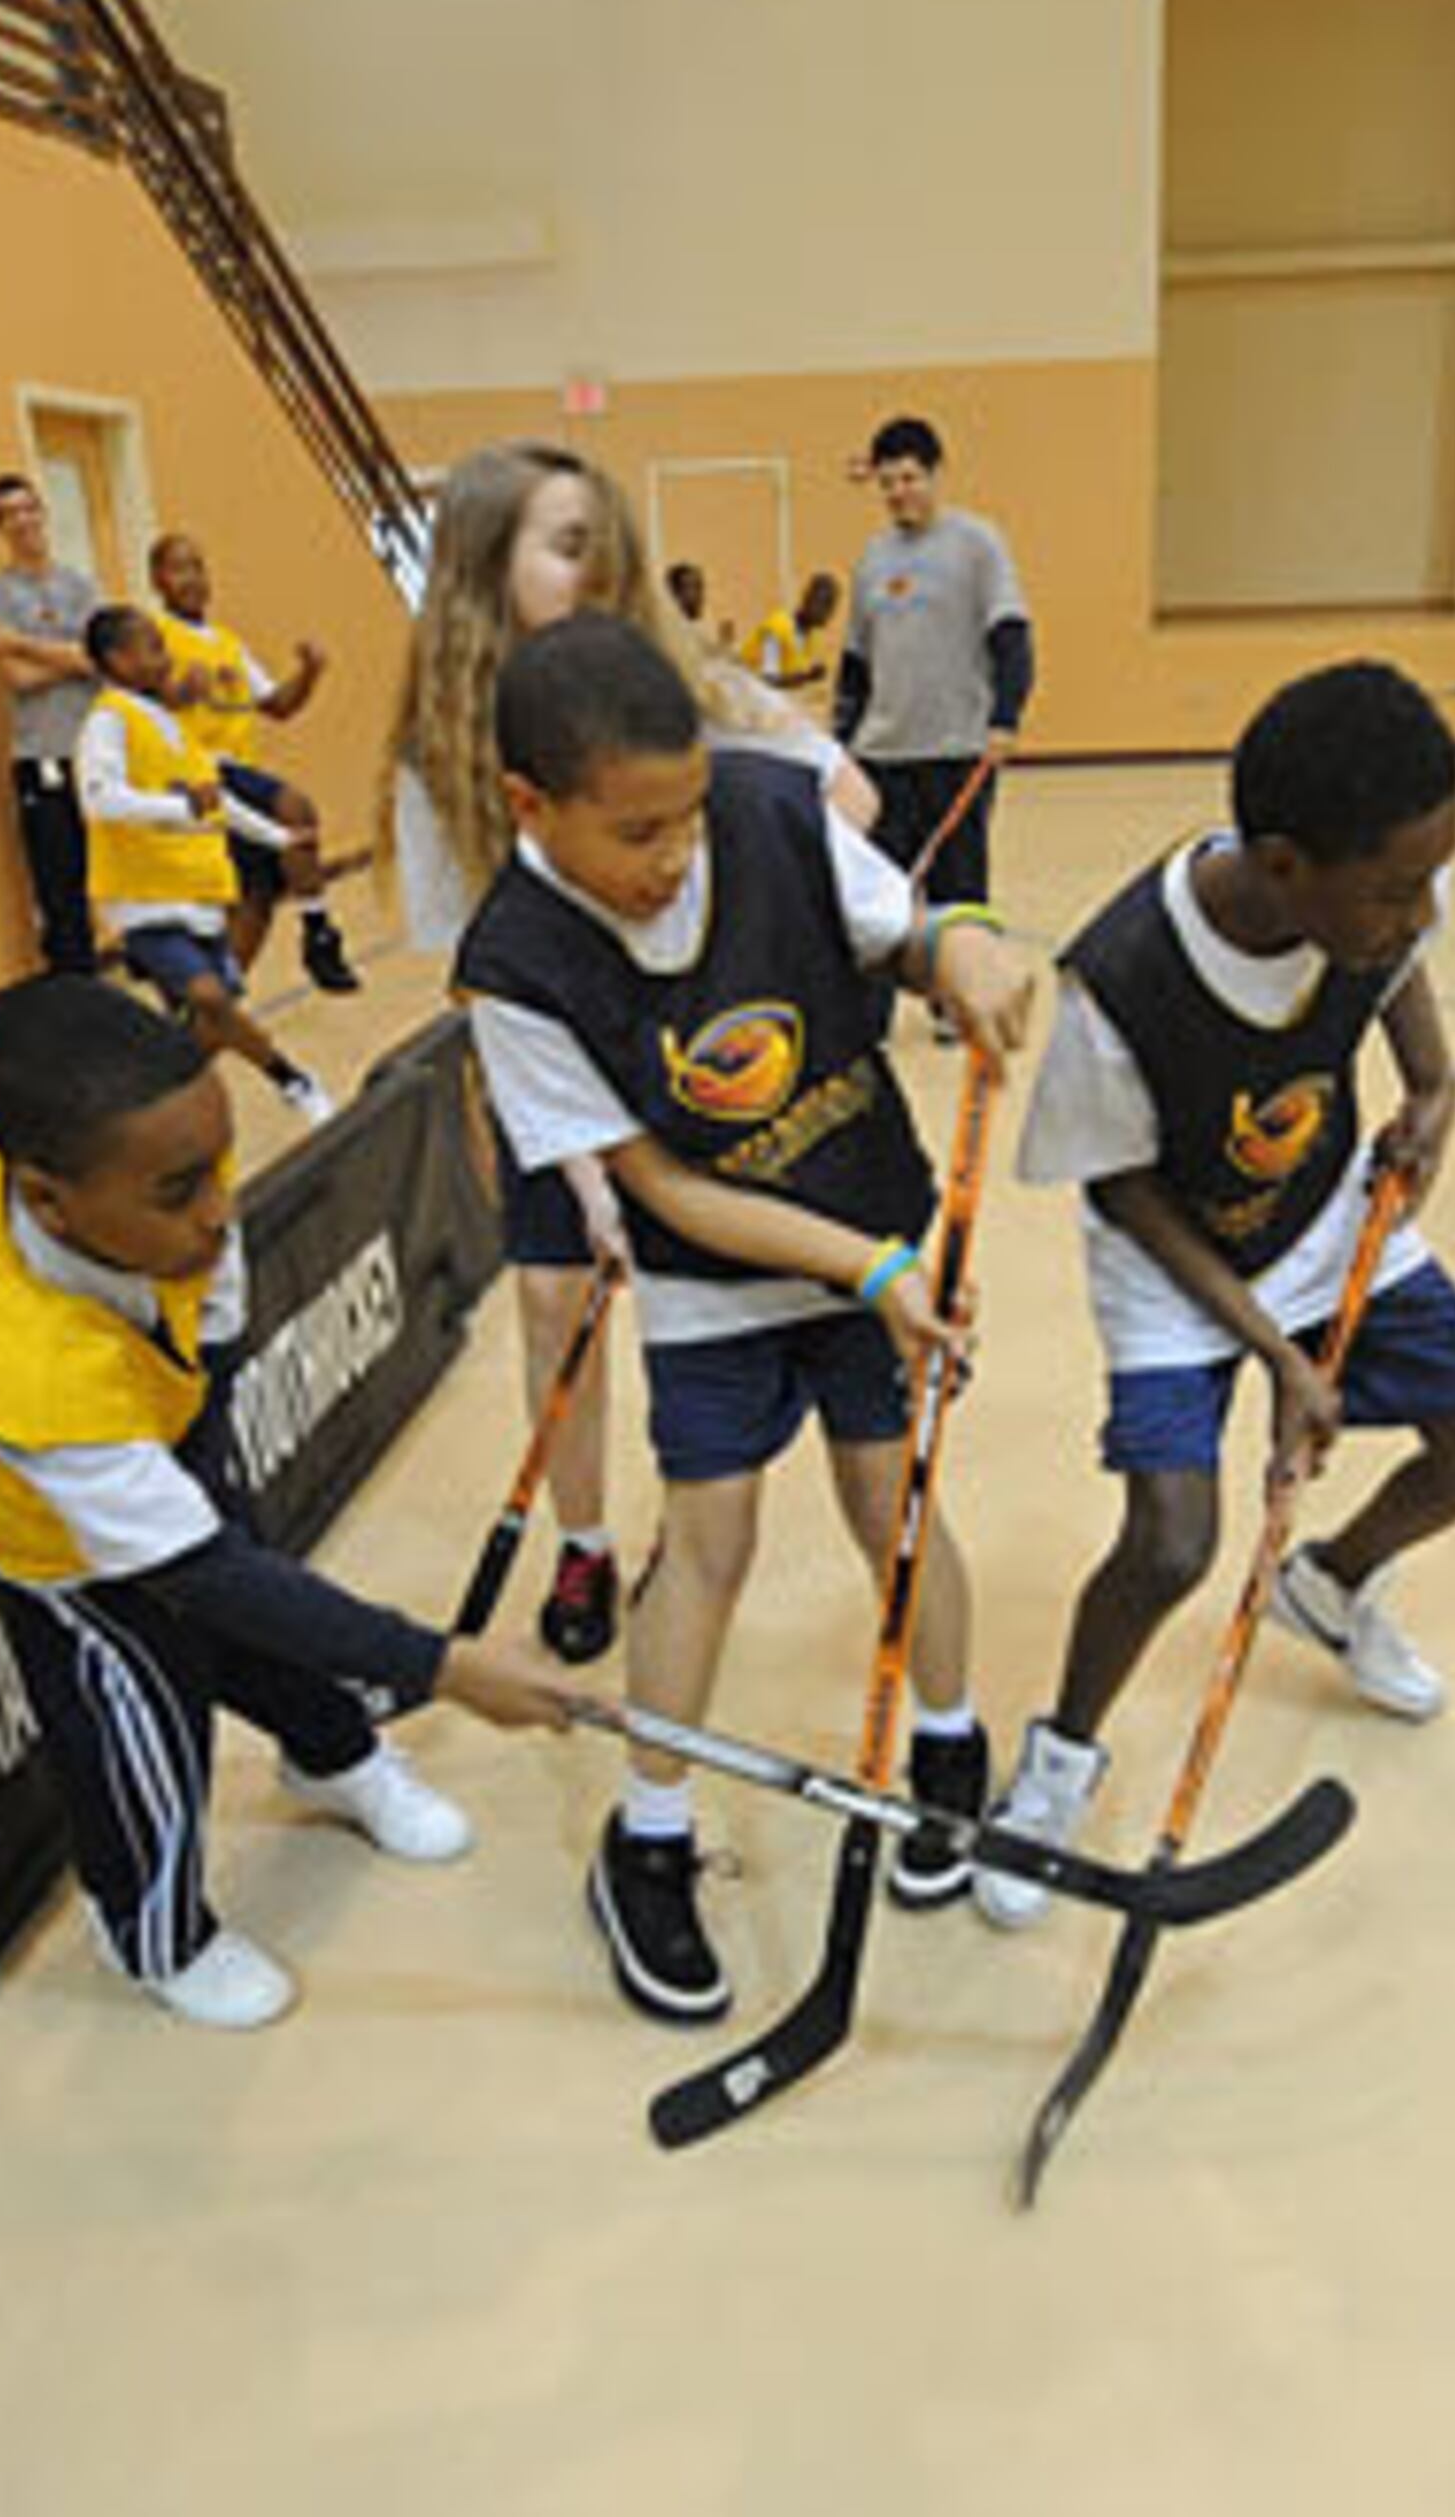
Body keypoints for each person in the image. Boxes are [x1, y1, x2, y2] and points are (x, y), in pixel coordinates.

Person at [452, 614, 1038, 2022]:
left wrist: (959, 947)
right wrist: (870, 1274)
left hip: (872, 1214)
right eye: (638, 832)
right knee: (708, 1544)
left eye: (690, 816)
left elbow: (902, 936)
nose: (675, 859)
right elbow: (659, 1184)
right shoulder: (515, 967)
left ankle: (948, 1749)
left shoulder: (770, 811)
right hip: (722, 1272)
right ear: (531, 806)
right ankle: (647, 1835)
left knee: (892, 1501)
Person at [0, 978, 576, 2029]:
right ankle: (154, 1931)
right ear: (49, 1200)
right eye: (184, 1190)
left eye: (221, 1166)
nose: (220, 1211)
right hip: (10, 1506)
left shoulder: (147, 1191)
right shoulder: (23, 1365)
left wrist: (203, 1476)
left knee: (246, 1573)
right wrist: (446, 1667)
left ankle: (332, 1755)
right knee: (139, 1687)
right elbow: (191, 1570)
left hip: (127, 1413)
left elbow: (209, 1350)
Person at [977, 663, 1455, 1924]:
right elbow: (1123, 1191)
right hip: (1173, 1260)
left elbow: (1397, 973)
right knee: (1175, 1537)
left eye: (1428, 882)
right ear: (1285, 864)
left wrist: (1433, 1092)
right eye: (1398, 891)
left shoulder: (1374, 899)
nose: (1418, 912)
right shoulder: (1123, 981)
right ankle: (1057, 1759)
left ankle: (1331, 1583)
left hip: (1326, 1209)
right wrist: (1277, 1358)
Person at [387, 443, 882, 1670]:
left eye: (609, 552)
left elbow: (849, 795)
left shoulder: (685, 686)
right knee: (558, 1295)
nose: (597, 576)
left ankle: (689, 1521)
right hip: (548, 1069)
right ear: (481, 573)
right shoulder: (437, 747)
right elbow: (469, 961)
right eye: (566, 551)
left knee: (691, 1304)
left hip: (710, 1067)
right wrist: (593, 1159)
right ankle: (586, 1535)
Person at [76, 606, 337, 1125]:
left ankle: (149, 1093)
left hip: (196, 894)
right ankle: (292, 1080)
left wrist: (280, 837)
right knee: (210, 997)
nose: (165, 655)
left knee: (213, 1020)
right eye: (151, 646)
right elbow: (98, 799)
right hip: (142, 901)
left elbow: (218, 802)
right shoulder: (107, 721)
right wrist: (178, 808)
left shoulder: (169, 724)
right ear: (118, 660)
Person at [147, 531, 361, 995]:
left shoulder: (227, 643)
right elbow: (143, 696)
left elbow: (279, 706)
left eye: (198, 566)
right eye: (180, 568)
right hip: (195, 773)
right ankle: (320, 934)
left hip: (235, 779)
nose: (193, 578)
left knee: (255, 902)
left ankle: (212, 1004)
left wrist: (308, 672)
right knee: (297, 809)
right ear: (158, 580)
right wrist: (180, 691)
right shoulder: (156, 635)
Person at [837, 414, 1034, 908]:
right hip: (882, 759)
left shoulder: (978, 544)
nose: (899, 492)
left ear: (935, 474)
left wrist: (1005, 718)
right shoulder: (872, 559)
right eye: (887, 483)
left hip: (956, 754)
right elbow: (856, 664)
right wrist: (840, 742)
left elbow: (1011, 636)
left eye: (909, 478)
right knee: (877, 908)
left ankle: (959, 989)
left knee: (958, 904)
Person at [0, 472, 100, 975]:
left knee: (115, 871)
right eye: (10, 514)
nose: (23, 521)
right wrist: (67, 656)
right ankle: (77, 984)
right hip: (40, 758)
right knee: (59, 885)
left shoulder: (80, 585)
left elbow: (99, 658)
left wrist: (22, 642)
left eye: (30, 509)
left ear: (43, 513)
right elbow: (17, 679)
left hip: (93, 750)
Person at [743, 571, 843, 694]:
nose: (826, 613)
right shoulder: (777, 627)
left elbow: (789, 678)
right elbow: (768, 681)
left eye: (831, 607)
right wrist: (806, 677)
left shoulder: (813, 638)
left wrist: (809, 677)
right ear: (807, 599)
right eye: (822, 604)